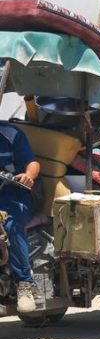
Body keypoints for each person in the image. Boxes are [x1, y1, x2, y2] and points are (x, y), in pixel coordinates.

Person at [0, 124, 40, 314]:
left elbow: (32, 163)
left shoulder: (10, 134)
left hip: (14, 195)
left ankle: (25, 283)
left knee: (9, 224)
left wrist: (29, 176)